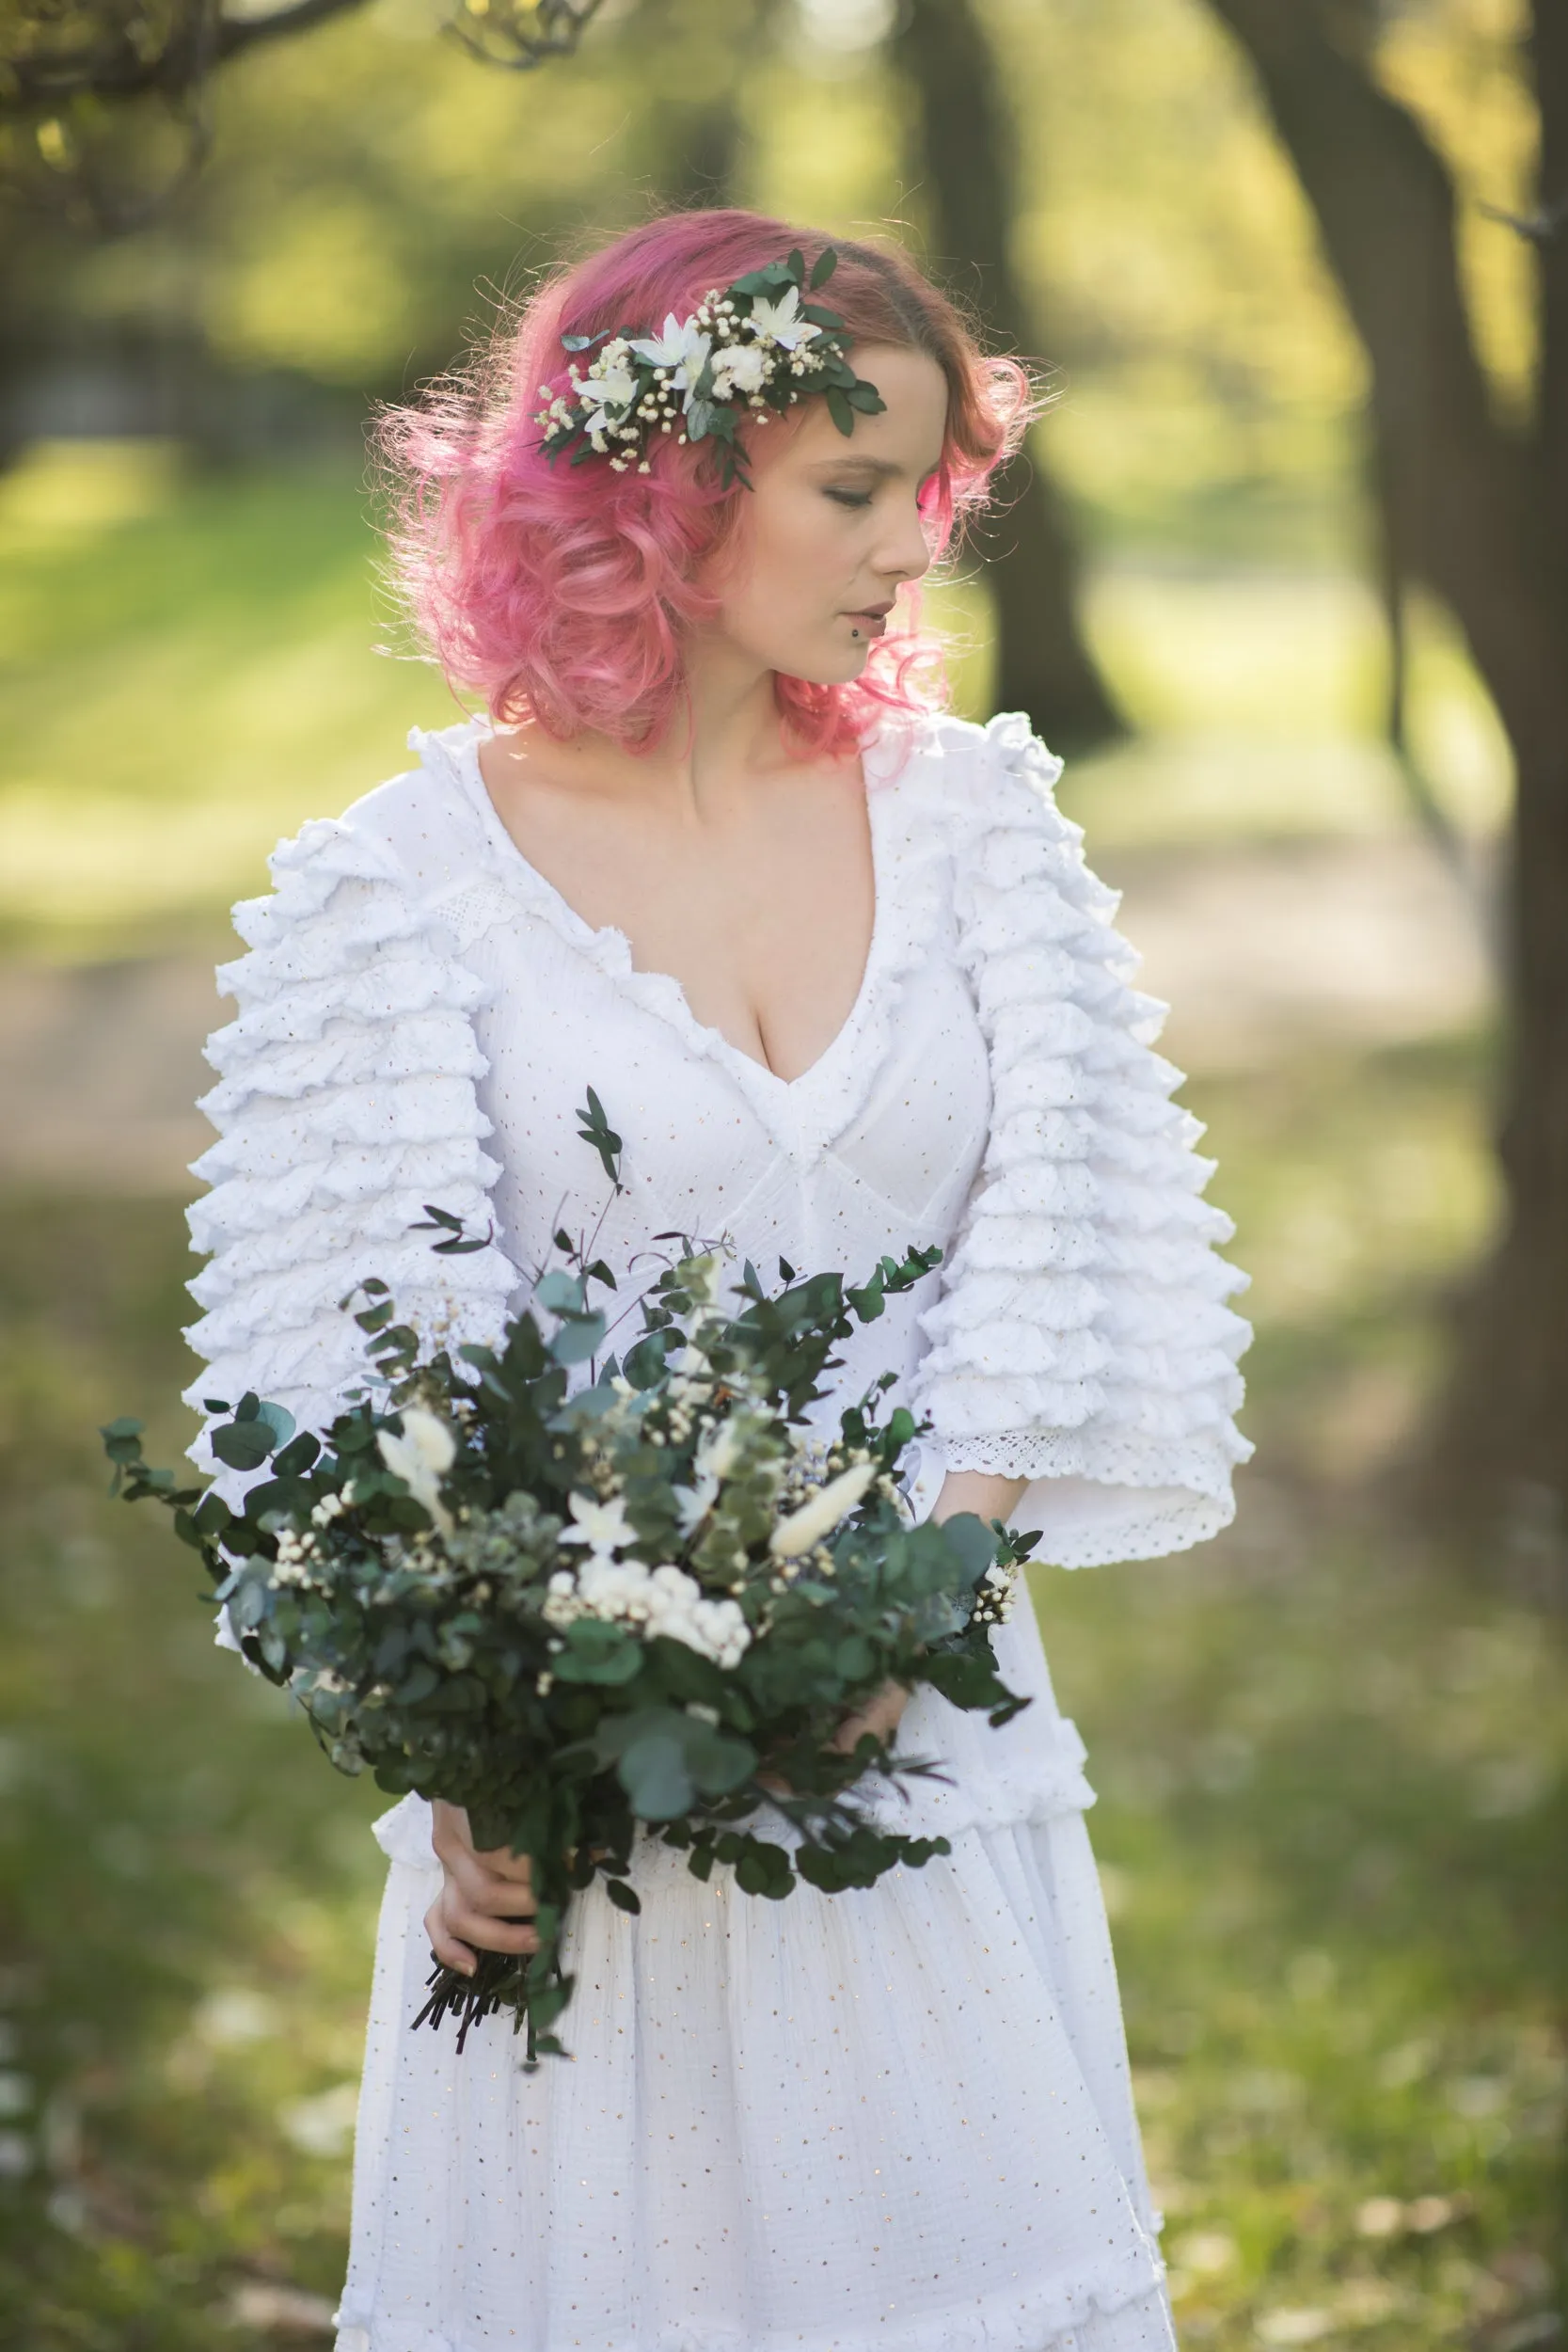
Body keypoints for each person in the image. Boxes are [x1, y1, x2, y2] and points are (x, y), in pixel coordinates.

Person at [183, 209, 1253, 2352]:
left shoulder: (975, 825)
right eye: (849, 488)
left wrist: (905, 1609)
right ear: (667, 484)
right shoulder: (399, 893)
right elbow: (354, 1378)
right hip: (572, 1803)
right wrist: (472, 1751)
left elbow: (1067, 1249)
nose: (902, 549)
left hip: (931, 1744)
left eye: (924, 493)